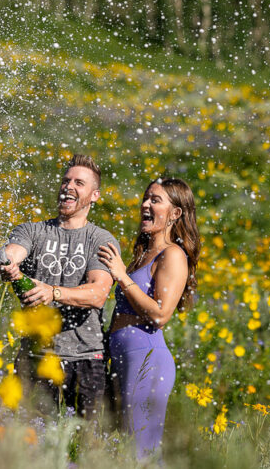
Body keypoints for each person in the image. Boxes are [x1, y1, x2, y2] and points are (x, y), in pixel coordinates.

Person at [0, 154, 117, 417]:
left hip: (87, 359)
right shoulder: (32, 230)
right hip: (37, 358)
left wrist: (54, 292)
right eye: (66, 181)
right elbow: (15, 250)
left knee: (90, 449)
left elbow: (98, 294)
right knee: (32, 447)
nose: (68, 187)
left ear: (94, 196)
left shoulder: (100, 239)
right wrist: (8, 261)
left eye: (79, 183)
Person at [97, 177, 201, 460]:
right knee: (118, 449)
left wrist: (120, 275)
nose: (145, 204)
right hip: (122, 356)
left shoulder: (173, 255)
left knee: (140, 452)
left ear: (175, 213)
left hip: (147, 358)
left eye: (155, 200)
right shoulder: (142, 254)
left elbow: (160, 314)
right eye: (146, 198)